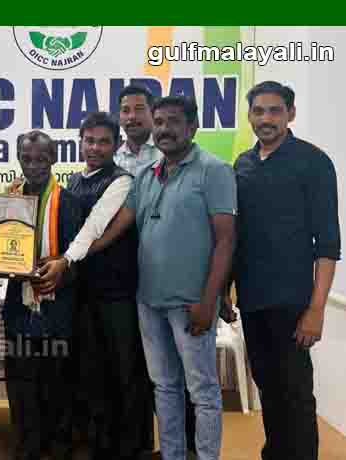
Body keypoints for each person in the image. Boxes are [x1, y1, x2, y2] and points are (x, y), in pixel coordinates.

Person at [93, 95, 236, 460]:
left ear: (193, 127)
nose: (164, 129)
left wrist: (210, 300)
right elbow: (116, 226)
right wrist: (72, 255)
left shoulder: (214, 170)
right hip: (149, 301)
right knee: (164, 386)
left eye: (174, 121)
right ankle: (173, 455)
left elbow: (225, 240)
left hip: (191, 303)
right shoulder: (146, 175)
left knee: (202, 391)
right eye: (159, 122)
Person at [231, 81, 340, 460]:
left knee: (296, 395)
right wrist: (228, 292)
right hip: (252, 302)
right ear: (249, 116)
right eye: (258, 111)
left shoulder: (313, 162)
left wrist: (316, 309)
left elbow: (328, 245)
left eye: (275, 110)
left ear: (290, 114)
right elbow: (236, 236)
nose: (266, 118)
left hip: (294, 304)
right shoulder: (242, 164)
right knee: (268, 388)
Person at [64, 112, 152, 460]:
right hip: (83, 293)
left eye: (103, 141)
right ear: (80, 142)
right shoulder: (73, 181)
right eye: (89, 140)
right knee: (92, 371)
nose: (95, 147)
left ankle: (132, 447)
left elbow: (95, 230)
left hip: (118, 293)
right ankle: (101, 443)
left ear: (116, 145)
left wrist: (64, 261)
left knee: (126, 372)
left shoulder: (123, 181)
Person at [3, 130, 83, 460]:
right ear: (18, 160)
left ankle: (59, 443)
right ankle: (27, 444)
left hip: (56, 308)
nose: (33, 165)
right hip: (19, 308)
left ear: (53, 159)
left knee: (57, 380)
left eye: (41, 158)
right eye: (26, 159)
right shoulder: (8, 201)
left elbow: (79, 259)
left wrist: (58, 271)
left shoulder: (69, 202)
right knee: (22, 380)